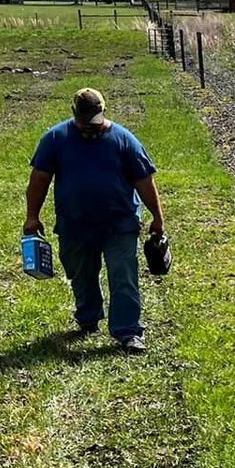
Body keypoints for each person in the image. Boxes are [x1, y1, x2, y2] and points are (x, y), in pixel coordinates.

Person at [23, 87, 164, 354]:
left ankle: (128, 331)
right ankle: (88, 315)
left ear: (104, 112)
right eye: (84, 123)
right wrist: (32, 216)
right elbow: (39, 180)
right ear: (74, 113)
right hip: (74, 224)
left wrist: (158, 218)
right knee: (80, 273)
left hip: (119, 224)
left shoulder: (124, 140)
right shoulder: (55, 138)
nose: (91, 128)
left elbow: (144, 182)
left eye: (95, 123)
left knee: (123, 275)